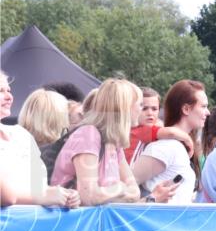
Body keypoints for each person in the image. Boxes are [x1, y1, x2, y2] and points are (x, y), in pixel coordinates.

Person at [50, 78, 173, 205]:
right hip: (72, 222)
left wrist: (109, 193)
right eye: (140, 105)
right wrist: (119, 188)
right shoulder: (88, 135)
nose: (141, 110)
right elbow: (90, 196)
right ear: (124, 107)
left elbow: (135, 192)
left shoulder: (114, 143)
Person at [0, 71, 79, 207]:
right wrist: (44, 195)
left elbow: (40, 185)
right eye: (1, 91)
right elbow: (7, 197)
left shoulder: (21, 135)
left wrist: (65, 195)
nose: (9, 97)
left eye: (9, 90)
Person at [130, 80, 209, 204]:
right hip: (156, 221)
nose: (207, 112)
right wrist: (152, 199)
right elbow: (125, 187)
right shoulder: (166, 147)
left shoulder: (175, 146)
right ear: (186, 109)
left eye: (154, 108)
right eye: (203, 106)